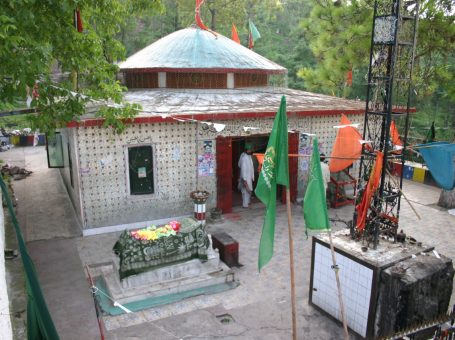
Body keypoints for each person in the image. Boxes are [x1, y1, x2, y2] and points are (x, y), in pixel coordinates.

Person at [238, 143, 255, 208]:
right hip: (245, 177)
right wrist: (244, 179)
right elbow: (243, 169)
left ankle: (247, 202)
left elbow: (251, 167)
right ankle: (245, 205)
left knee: (248, 190)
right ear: (246, 150)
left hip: (249, 177)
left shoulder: (249, 156)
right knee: (245, 191)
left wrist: (252, 176)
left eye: (251, 150)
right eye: (249, 150)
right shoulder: (244, 158)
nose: (250, 151)